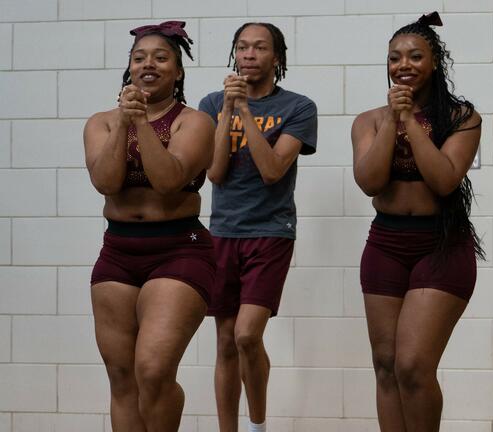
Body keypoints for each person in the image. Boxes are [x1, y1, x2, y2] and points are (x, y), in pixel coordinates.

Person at [351, 11, 484, 432]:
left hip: (441, 244)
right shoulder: (369, 120)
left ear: (434, 63)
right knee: (386, 364)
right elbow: (370, 182)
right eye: (394, 58)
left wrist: (409, 118)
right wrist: (393, 119)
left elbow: (444, 180)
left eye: (414, 56)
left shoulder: (462, 117)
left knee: (412, 364)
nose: (403, 65)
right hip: (386, 244)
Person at [84, 21, 215, 431]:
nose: (149, 65)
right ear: (128, 69)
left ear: (178, 71)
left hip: (181, 246)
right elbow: (105, 183)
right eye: (139, 58)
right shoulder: (101, 123)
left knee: (154, 370)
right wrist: (125, 121)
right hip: (118, 251)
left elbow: (168, 181)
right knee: (123, 379)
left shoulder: (194, 122)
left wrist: (142, 123)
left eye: (161, 58)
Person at [197, 22, 318, 432]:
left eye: (259, 47)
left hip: (270, 231)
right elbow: (214, 172)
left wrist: (246, 111)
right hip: (222, 233)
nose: (249, 54)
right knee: (226, 341)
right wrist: (227, 111)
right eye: (242, 47)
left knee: (248, 334)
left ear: (276, 58)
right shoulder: (212, 103)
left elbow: (272, 170)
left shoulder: (298, 107)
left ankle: (257, 425)